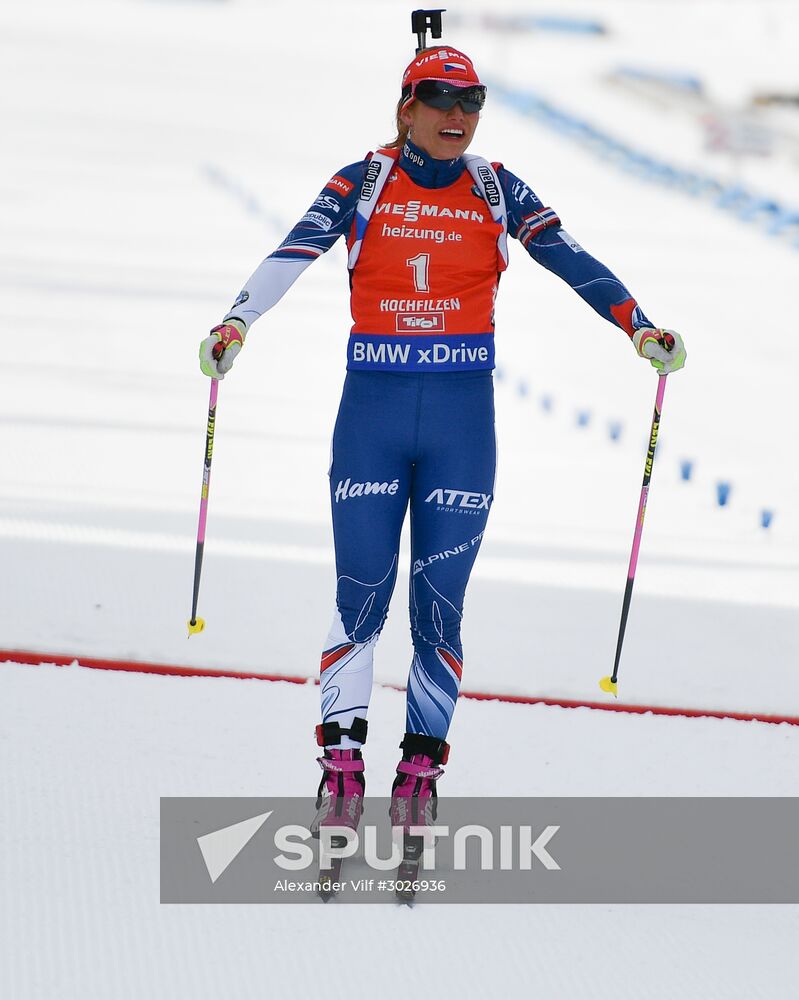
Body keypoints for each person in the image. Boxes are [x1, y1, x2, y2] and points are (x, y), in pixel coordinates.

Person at [199, 45, 686, 837]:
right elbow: (292, 250)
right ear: (405, 107)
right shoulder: (363, 180)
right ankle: (341, 763)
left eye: (471, 103)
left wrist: (638, 324)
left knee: (439, 607)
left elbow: (567, 256)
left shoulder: (495, 187)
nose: (456, 117)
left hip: (462, 423)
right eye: (438, 100)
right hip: (373, 415)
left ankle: (421, 769)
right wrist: (236, 322)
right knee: (360, 594)